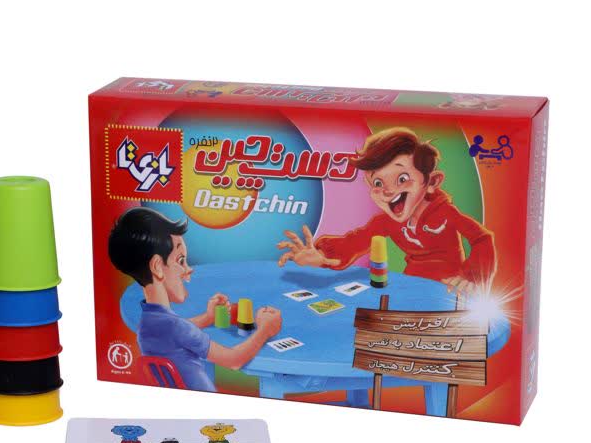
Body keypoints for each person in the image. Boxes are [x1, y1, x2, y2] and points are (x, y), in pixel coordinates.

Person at [277, 127, 497, 294]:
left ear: (431, 182)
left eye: (402, 178)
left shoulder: (446, 213)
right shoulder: (385, 222)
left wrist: (471, 277)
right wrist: (323, 256)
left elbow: (482, 238)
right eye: (378, 183)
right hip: (411, 286)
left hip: (451, 287)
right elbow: (356, 240)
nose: (388, 191)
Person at [109, 208, 282, 392]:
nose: (188, 269)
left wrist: (208, 317)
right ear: (157, 267)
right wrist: (265, 329)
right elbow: (234, 360)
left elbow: (174, 330)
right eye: (181, 260)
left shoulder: (147, 324)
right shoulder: (177, 327)